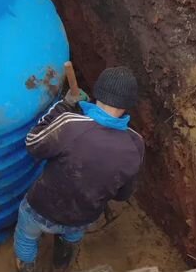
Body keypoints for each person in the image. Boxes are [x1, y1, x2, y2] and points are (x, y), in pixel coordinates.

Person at [13, 66, 144, 272]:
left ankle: (26, 267)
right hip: (82, 216)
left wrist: (64, 105)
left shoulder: (70, 124)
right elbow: (123, 194)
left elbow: (33, 143)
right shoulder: (136, 144)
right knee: (71, 238)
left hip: (42, 208)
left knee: (26, 235)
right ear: (128, 105)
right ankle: (60, 266)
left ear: (98, 93)